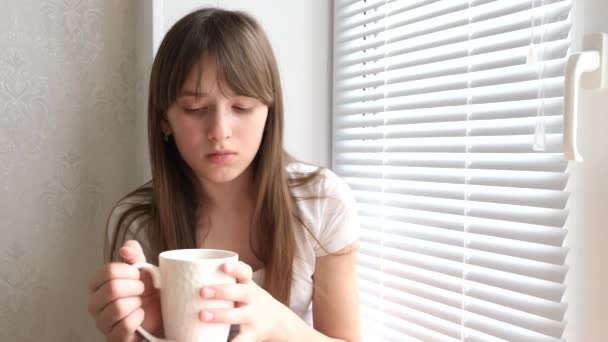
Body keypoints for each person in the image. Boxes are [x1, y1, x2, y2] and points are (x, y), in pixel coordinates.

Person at [86, 7, 360, 342]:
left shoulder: (321, 202)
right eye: (195, 109)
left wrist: (276, 323)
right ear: (164, 120)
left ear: (269, 112)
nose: (220, 131)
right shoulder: (137, 221)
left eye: (242, 107)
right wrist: (139, 334)